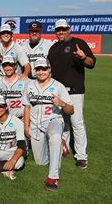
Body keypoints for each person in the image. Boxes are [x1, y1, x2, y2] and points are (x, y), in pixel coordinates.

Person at [47, 19, 96, 169]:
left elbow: (91, 63)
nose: (60, 32)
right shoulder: (53, 48)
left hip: (75, 90)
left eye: (63, 29)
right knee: (62, 122)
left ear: (69, 29)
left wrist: (83, 57)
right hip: (58, 92)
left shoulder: (79, 43)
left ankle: (81, 156)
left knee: (77, 123)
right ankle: (64, 148)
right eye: (58, 30)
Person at [23, 58, 74, 191]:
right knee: (41, 162)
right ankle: (60, 145)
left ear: (49, 69)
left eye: (44, 69)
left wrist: (62, 104)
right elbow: (27, 107)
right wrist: (26, 126)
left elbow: (71, 110)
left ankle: (53, 177)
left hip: (53, 120)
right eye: (38, 69)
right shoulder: (29, 86)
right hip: (35, 124)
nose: (41, 72)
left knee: (55, 136)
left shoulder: (58, 86)